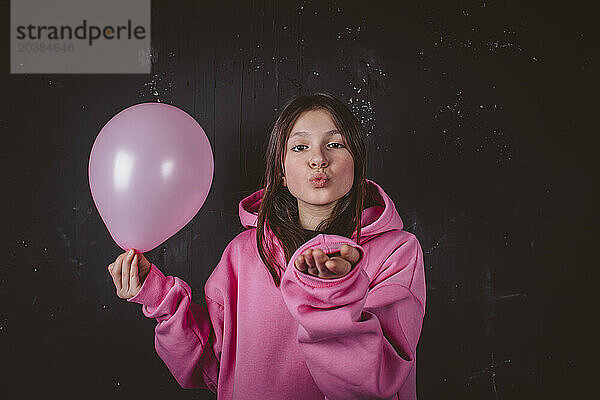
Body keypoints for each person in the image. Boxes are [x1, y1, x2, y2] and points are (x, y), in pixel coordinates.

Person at [107, 92, 426, 399]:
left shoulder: (398, 252)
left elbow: (370, 384)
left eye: (334, 144)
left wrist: (333, 292)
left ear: (356, 163)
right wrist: (158, 297)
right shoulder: (243, 252)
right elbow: (214, 369)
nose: (318, 159)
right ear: (282, 172)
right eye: (300, 147)